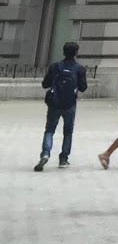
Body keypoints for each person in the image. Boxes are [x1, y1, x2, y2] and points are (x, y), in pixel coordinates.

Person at [36, 40, 88, 170]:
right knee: (68, 132)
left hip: (54, 103)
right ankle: (63, 159)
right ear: (76, 53)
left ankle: (46, 153)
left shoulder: (55, 66)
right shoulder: (79, 68)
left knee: (49, 130)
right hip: (70, 104)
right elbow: (83, 87)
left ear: (63, 52)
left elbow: (45, 84)